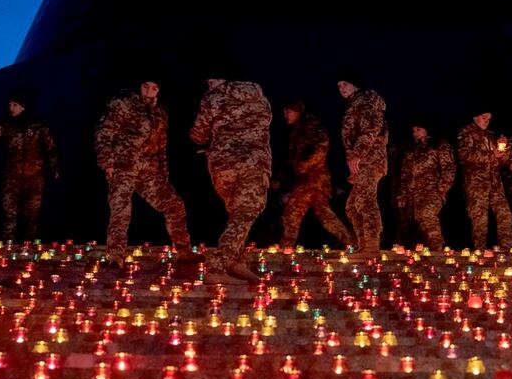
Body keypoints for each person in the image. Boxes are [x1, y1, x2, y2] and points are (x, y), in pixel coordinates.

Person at [96, 77, 191, 266]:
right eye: (146, 86)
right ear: (139, 86)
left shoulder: (160, 114)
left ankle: (184, 252)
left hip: (150, 170)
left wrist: (163, 174)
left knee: (174, 205)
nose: (149, 91)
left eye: (154, 88)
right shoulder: (123, 104)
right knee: (121, 210)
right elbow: (104, 133)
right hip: (124, 166)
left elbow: (161, 146)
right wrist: (107, 162)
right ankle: (115, 256)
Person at [191, 77, 272, 283]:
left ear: (222, 79)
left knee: (239, 213)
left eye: (211, 81)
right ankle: (221, 265)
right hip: (253, 161)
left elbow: (199, 134)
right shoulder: (260, 98)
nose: (209, 85)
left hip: (223, 164)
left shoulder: (212, 97)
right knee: (244, 212)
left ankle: (233, 263)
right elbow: (264, 125)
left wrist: (212, 138)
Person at [0, 93, 58, 240]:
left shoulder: (39, 127)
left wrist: (54, 169)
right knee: (9, 215)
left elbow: (51, 149)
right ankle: (7, 246)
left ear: (23, 107)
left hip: (34, 179)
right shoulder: (7, 126)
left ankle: (29, 247)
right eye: (9, 104)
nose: (11, 108)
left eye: (14, 105)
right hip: (11, 178)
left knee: (32, 216)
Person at [279, 101, 353, 247]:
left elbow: (322, 147)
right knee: (323, 214)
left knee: (292, 212)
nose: (285, 115)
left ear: (298, 112)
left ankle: (287, 245)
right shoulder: (299, 130)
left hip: (313, 180)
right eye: (284, 112)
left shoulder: (311, 127)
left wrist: (303, 165)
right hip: (308, 180)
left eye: (288, 112)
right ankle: (350, 242)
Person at [339, 75, 387, 256]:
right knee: (352, 206)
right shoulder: (354, 105)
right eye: (339, 86)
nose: (341, 88)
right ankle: (364, 245)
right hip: (362, 162)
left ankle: (372, 246)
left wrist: (357, 154)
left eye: (345, 83)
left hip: (370, 159)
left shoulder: (367, 102)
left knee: (365, 201)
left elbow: (371, 130)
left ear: (355, 83)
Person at [396, 117, 455, 250]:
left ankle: (437, 249)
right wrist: (402, 195)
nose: (415, 133)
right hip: (412, 194)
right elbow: (405, 175)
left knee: (427, 216)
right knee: (414, 223)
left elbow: (448, 168)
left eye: (418, 129)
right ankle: (421, 252)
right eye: (413, 131)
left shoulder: (439, 145)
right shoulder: (411, 150)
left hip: (431, 191)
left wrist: (442, 188)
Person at [457, 111, 512, 250]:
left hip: (495, 184)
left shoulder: (491, 135)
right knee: (479, 220)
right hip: (476, 184)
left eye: (489, 118)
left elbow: (502, 162)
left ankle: (506, 251)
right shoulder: (466, 133)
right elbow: (464, 155)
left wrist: (504, 148)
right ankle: (479, 252)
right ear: (475, 117)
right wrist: (491, 154)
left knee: (505, 214)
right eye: (484, 117)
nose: (487, 121)